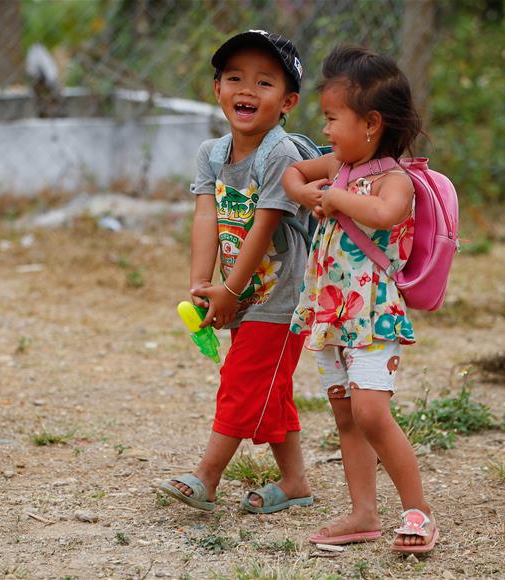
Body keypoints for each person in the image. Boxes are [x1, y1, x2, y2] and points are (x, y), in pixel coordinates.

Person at [283, 45, 438, 554]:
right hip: (331, 309)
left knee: (371, 412)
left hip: (370, 310)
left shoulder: (396, 178)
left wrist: (336, 197)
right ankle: (363, 513)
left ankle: (419, 511)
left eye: (332, 119)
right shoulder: (340, 166)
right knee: (346, 413)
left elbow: (387, 215)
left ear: (371, 123)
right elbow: (293, 175)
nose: (324, 131)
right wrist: (307, 193)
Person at [159, 30, 313, 515]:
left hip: (280, 298)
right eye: (234, 78)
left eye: (264, 82)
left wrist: (229, 289)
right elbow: (206, 216)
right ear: (217, 89)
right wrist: (203, 286)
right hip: (240, 294)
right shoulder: (211, 153)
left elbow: (265, 229)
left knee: (244, 382)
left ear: (287, 101)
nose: (247, 89)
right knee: (267, 388)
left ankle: (207, 477)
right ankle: (294, 483)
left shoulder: (281, 156)